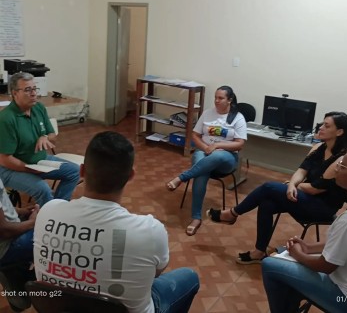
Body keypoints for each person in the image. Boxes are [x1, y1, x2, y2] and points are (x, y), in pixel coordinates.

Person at [34, 131, 200, 313]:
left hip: (61, 307)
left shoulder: (47, 212)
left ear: (82, 171)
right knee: (190, 277)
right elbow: (155, 274)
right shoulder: (150, 231)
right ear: (130, 176)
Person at [207, 111, 347, 263]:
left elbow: (316, 188)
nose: (321, 127)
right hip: (303, 197)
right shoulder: (318, 147)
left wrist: (293, 185)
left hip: (321, 207)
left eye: (326, 126)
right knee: (267, 203)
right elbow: (301, 171)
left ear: (340, 132)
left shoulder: (342, 158)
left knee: (269, 187)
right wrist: (292, 185)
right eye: (322, 124)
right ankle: (259, 252)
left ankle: (232, 213)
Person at [261, 151, 347, 313]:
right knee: (284, 260)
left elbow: (326, 266)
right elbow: (342, 243)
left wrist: (299, 255)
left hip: (344, 297)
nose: (336, 168)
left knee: (270, 264)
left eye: (342, 166)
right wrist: (309, 248)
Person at [166, 86, 247, 236]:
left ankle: (181, 178)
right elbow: (195, 135)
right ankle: (196, 218)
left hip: (226, 158)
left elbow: (240, 144)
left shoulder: (238, 117)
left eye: (220, 98)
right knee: (201, 171)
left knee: (216, 156)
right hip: (204, 152)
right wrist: (205, 147)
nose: (216, 101)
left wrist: (217, 145)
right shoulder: (207, 113)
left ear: (229, 100)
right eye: (215, 97)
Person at [0, 72, 80, 206]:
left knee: (74, 171)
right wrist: (29, 170)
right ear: (15, 93)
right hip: (11, 168)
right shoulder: (6, 119)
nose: (33, 93)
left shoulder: (38, 108)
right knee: (43, 189)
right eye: (27, 90)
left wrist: (44, 137)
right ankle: (49, 219)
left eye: (34, 89)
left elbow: (52, 136)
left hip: (39, 162)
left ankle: (57, 209)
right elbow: (5, 159)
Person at [0, 178, 39, 311]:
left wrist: (20, 211)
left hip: (7, 233)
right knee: (52, 238)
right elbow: (4, 231)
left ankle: (15, 278)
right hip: (6, 243)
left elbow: (2, 206)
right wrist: (33, 222)